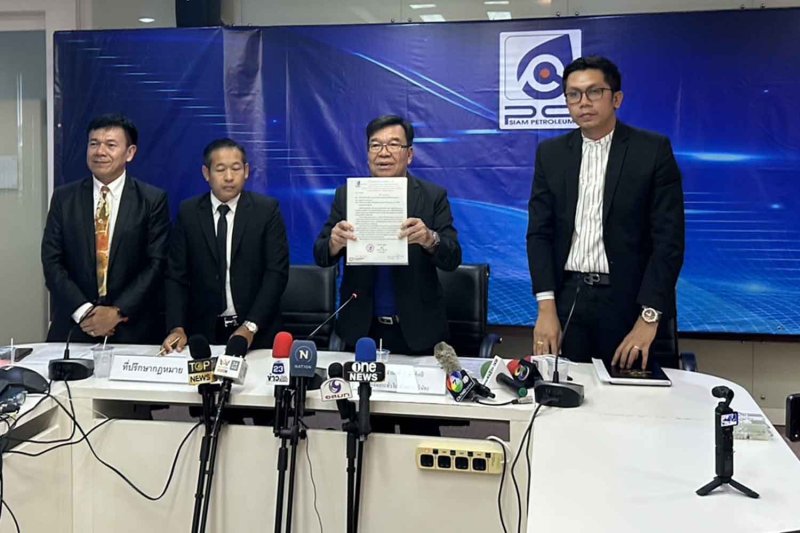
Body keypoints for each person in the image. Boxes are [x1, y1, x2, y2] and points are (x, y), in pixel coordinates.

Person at [526, 56, 685, 370]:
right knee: (564, 393)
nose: (583, 102)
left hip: (629, 302)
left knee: (630, 396)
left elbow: (669, 241)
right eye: (573, 94)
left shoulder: (651, 150)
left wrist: (649, 318)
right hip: (568, 298)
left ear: (616, 98)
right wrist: (546, 308)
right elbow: (539, 234)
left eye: (594, 92)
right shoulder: (551, 154)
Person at [313, 115, 461, 355]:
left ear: (409, 154)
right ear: (367, 153)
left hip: (418, 331)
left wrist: (429, 239)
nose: (383, 153)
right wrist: (334, 243)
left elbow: (452, 257)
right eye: (375, 145)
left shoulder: (432, 196)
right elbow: (321, 255)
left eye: (393, 144)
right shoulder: (347, 195)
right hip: (361, 330)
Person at [42, 113, 170, 344]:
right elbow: (52, 260)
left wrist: (117, 312)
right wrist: (85, 312)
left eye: (111, 145)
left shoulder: (152, 200)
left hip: (133, 330)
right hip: (74, 328)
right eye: (94, 144)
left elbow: (156, 264)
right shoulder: (64, 198)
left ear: (130, 152)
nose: (100, 151)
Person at [162, 138, 289, 351]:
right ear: (206, 173)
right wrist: (177, 327)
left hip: (257, 332)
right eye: (220, 169)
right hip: (202, 334)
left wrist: (250, 326)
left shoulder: (266, 211)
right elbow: (176, 275)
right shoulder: (189, 212)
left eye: (236, 168)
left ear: (246, 171)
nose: (229, 177)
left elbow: (276, 273)